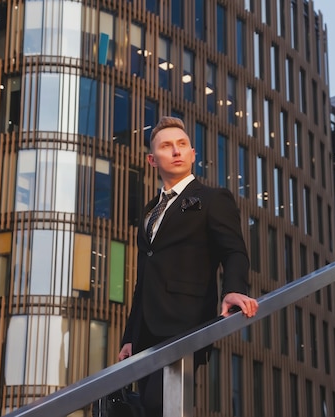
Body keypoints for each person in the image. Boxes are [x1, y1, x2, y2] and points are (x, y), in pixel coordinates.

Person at [118, 116, 259, 416]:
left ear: (193, 154)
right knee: (149, 407)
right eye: (167, 146)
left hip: (185, 323)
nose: (177, 151)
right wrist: (130, 336)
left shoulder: (212, 199)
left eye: (182, 145)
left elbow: (234, 251)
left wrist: (233, 289)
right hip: (145, 333)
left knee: (161, 404)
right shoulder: (149, 211)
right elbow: (143, 279)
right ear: (152, 159)